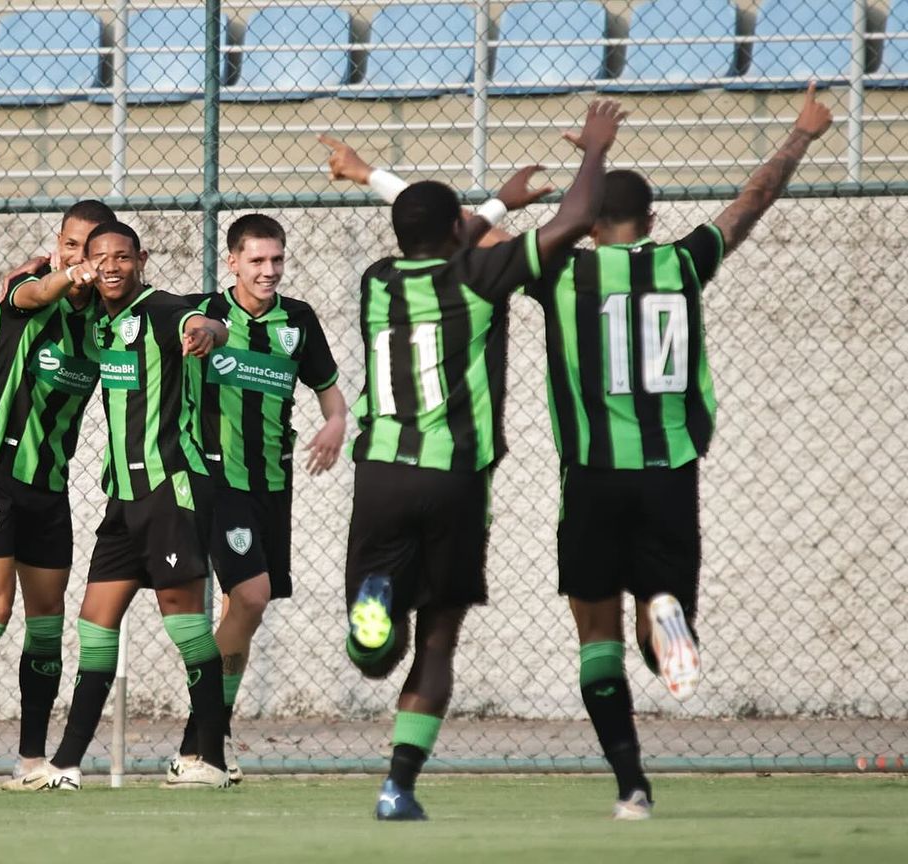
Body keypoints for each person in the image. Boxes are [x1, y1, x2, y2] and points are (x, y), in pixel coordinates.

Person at [331, 83, 834, 820]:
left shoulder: (557, 272)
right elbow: (748, 204)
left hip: (582, 478)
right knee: (650, 620)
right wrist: (800, 135)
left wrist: (375, 172)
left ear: (590, 223)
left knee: (592, 638)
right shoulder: (685, 263)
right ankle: (664, 628)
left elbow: (455, 233)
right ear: (652, 220)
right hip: (668, 475)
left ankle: (631, 785)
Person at [320, 101, 624, 820]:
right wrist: (595, 151)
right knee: (439, 638)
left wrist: (373, 175)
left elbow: (430, 223)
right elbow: (578, 216)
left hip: (383, 474)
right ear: (460, 233)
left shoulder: (377, 284)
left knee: (377, 650)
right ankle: (398, 788)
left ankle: (375, 609)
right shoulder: (479, 277)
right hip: (457, 480)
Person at [16, 221, 232, 790]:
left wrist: (210, 330)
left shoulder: (160, 308)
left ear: (140, 259)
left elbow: (202, 320)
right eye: (99, 257)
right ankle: (64, 767)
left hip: (170, 492)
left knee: (184, 624)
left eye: (121, 256)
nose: (111, 265)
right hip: (124, 500)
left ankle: (210, 759)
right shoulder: (100, 321)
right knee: (94, 624)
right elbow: (33, 293)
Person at [0, 199, 116, 791]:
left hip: (48, 483)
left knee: (47, 618)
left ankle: (32, 759)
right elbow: (38, 296)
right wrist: (65, 275)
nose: (77, 256)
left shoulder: (104, 325)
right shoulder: (29, 287)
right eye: (70, 244)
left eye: (89, 249)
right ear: (58, 246)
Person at [171, 214, 346, 784]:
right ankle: (204, 740)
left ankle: (204, 743)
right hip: (220, 482)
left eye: (276, 260)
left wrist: (335, 425)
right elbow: (192, 327)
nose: (268, 271)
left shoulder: (298, 320)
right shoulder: (206, 312)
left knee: (244, 610)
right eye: (256, 261)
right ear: (232, 262)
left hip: (274, 482)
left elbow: (330, 395)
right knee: (250, 595)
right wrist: (204, 335)